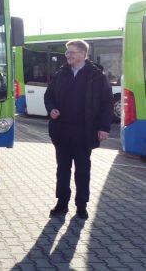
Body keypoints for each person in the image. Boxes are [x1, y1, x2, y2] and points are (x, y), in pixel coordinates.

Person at [44, 39, 113, 220]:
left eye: (72, 52)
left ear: (83, 54)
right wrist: (51, 109)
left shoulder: (96, 76)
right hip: (62, 131)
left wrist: (104, 127)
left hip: (85, 132)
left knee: (82, 170)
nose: (68, 55)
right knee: (62, 169)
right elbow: (49, 95)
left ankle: (81, 205)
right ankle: (62, 203)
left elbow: (107, 103)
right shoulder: (60, 74)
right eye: (67, 52)